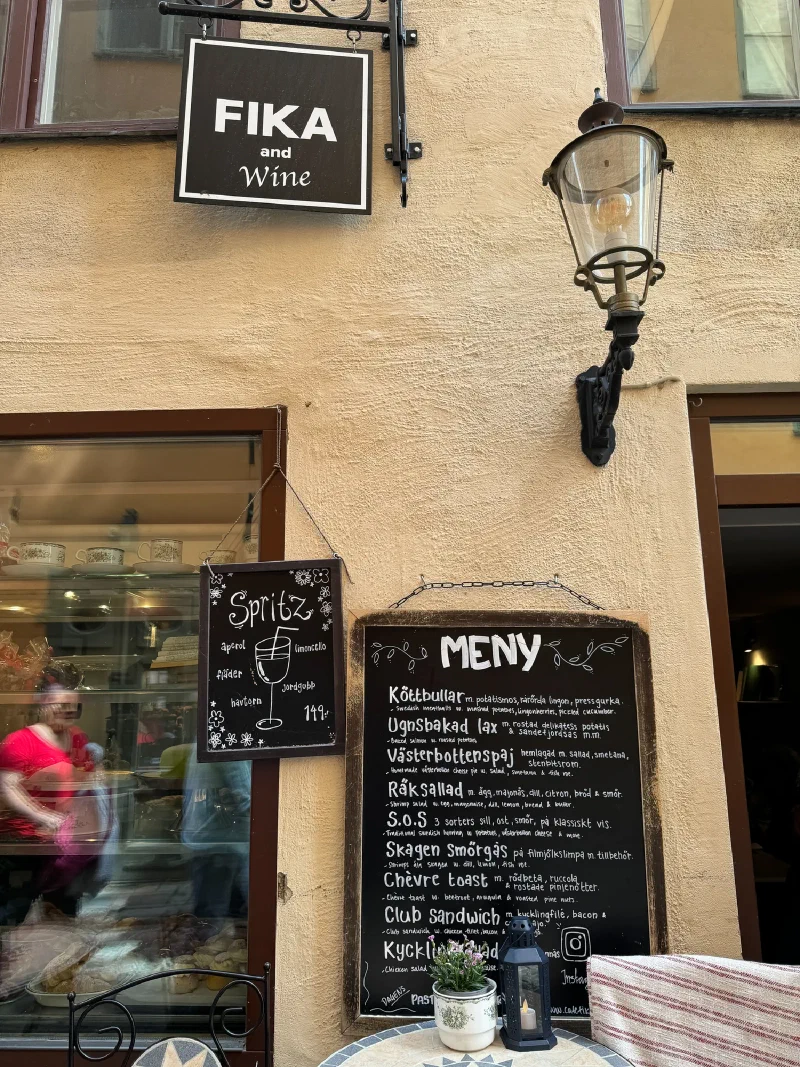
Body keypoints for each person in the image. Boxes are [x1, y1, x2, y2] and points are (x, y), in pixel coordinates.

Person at [0, 683, 91, 923]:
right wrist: (45, 817)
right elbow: (8, 786)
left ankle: (59, 958)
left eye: (73, 708)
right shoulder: (20, 740)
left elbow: (85, 780)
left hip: (64, 848)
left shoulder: (79, 738)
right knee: (12, 914)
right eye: (61, 706)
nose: (67, 712)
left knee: (62, 915)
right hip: (25, 845)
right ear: (43, 703)